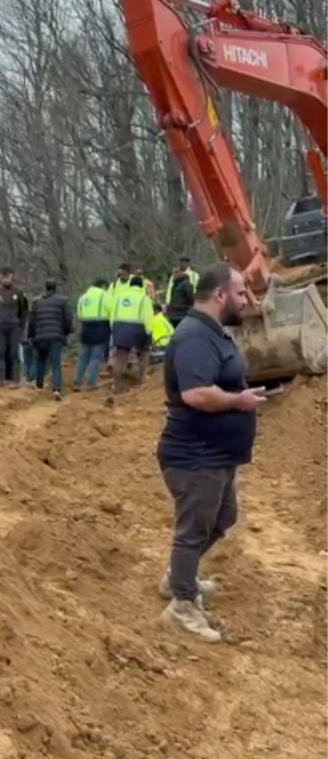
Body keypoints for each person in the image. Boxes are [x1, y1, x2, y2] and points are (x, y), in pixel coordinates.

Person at [158, 262, 267, 641]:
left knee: (223, 518)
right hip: (195, 454)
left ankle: (180, 576)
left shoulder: (211, 332)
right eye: (239, 293)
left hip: (215, 454)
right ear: (219, 295)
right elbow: (195, 393)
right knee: (194, 530)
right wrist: (238, 401)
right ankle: (182, 605)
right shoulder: (194, 337)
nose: (244, 299)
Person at [28, 279, 73, 400]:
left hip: (41, 336)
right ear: (55, 288)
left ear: (46, 287)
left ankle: (39, 385)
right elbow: (67, 320)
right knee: (55, 363)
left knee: (41, 361)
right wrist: (65, 332)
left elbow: (32, 321)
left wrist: (31, 335)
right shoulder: (62, 301)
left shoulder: (36, 302)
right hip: (56, 337)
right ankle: (57, 389)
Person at [109, 273, 154, 393]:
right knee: (143, 353)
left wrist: (113, 329)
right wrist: (149, 334)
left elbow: (112, 315)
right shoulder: (145, 299)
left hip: (119, 326)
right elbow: (148, 318)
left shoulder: (119, 297)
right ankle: (142, 379)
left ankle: (116, 384)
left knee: (121, 356)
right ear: (141, 286)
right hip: (137, 328)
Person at [0, 267, 29, 387]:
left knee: (14, 352)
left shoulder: (18, 292)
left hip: (14, 326)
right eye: (3, 277)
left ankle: (15, 379)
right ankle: (1, 379)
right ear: (0, 278)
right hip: (1, 326)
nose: (5, 279)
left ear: (12, 277)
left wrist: (21, 324)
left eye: (8, 276)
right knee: (0, 352)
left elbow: (24, 309)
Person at [73, 278, 110, 390]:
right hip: (100, 327)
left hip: (85, 327)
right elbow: (111, 310)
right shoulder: (105, 296)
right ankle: (91, 382)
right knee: (96, 356)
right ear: (103, 286)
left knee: (83, 356)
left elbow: (79, 314)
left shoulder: (83, 297)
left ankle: (77, 380)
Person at [165, 260, 196, 328]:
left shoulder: (178, 284)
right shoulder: (183, 284)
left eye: (175, 273)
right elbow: (190, 298)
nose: (174, 275)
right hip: (182, 313)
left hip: (177, 313)